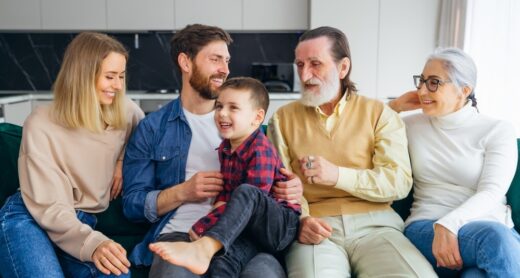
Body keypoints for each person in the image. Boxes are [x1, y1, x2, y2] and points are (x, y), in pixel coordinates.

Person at [122, 24, 303, 278]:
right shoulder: (152, 128)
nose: (225, 69)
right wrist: (182, 192)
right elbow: (131, 205)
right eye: (215, 59)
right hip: (182, 233)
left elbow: (269, 188)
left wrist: (295, 187)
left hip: (247, 238)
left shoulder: (247, 125)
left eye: (227, 60)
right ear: (186, 62)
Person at [268, 26, 437, 277]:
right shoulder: (282, 119)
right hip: (316, 230)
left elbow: (398, 182)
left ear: (343, 67)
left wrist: (337, 175)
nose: (304, 75)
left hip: (378, 227)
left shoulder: (380, 114)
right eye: (300, 64)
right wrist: (301, 221)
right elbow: (280, 187)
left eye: (315, 64)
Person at [0, 32, 144, 277]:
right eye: (110, 77)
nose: (118, 86)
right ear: (83, 76)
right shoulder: (41, 122)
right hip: (31, 216)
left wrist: (122, 160)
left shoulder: (126, 111)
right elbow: (49, 205)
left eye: (121, 76)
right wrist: (94, 244)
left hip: (81, 221)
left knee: (118, 274)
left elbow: (146, 140)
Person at [148, 77, 301, 277]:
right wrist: (220, 202)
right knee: (223, 264)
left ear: (257, 118)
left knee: (247, 193)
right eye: (219, 106)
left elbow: (252, 201)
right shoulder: (227, 147)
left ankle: (203, 248)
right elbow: (229, 189)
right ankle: (205, 253)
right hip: (248, 232)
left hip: (278, 227)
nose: (222, 113)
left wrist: (204, 225)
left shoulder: (260, 149)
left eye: (233, 108)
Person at [389, 47, 520, 277]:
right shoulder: (410, 125)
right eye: (421, 81)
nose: (421, 90)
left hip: (488, 227)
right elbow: (356, 137)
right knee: (494, 238)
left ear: (464, 90)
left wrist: (449, 224)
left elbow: (492, 191)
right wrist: (394, 107)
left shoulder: (497, 130)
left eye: (434, 82)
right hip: (426, 229)